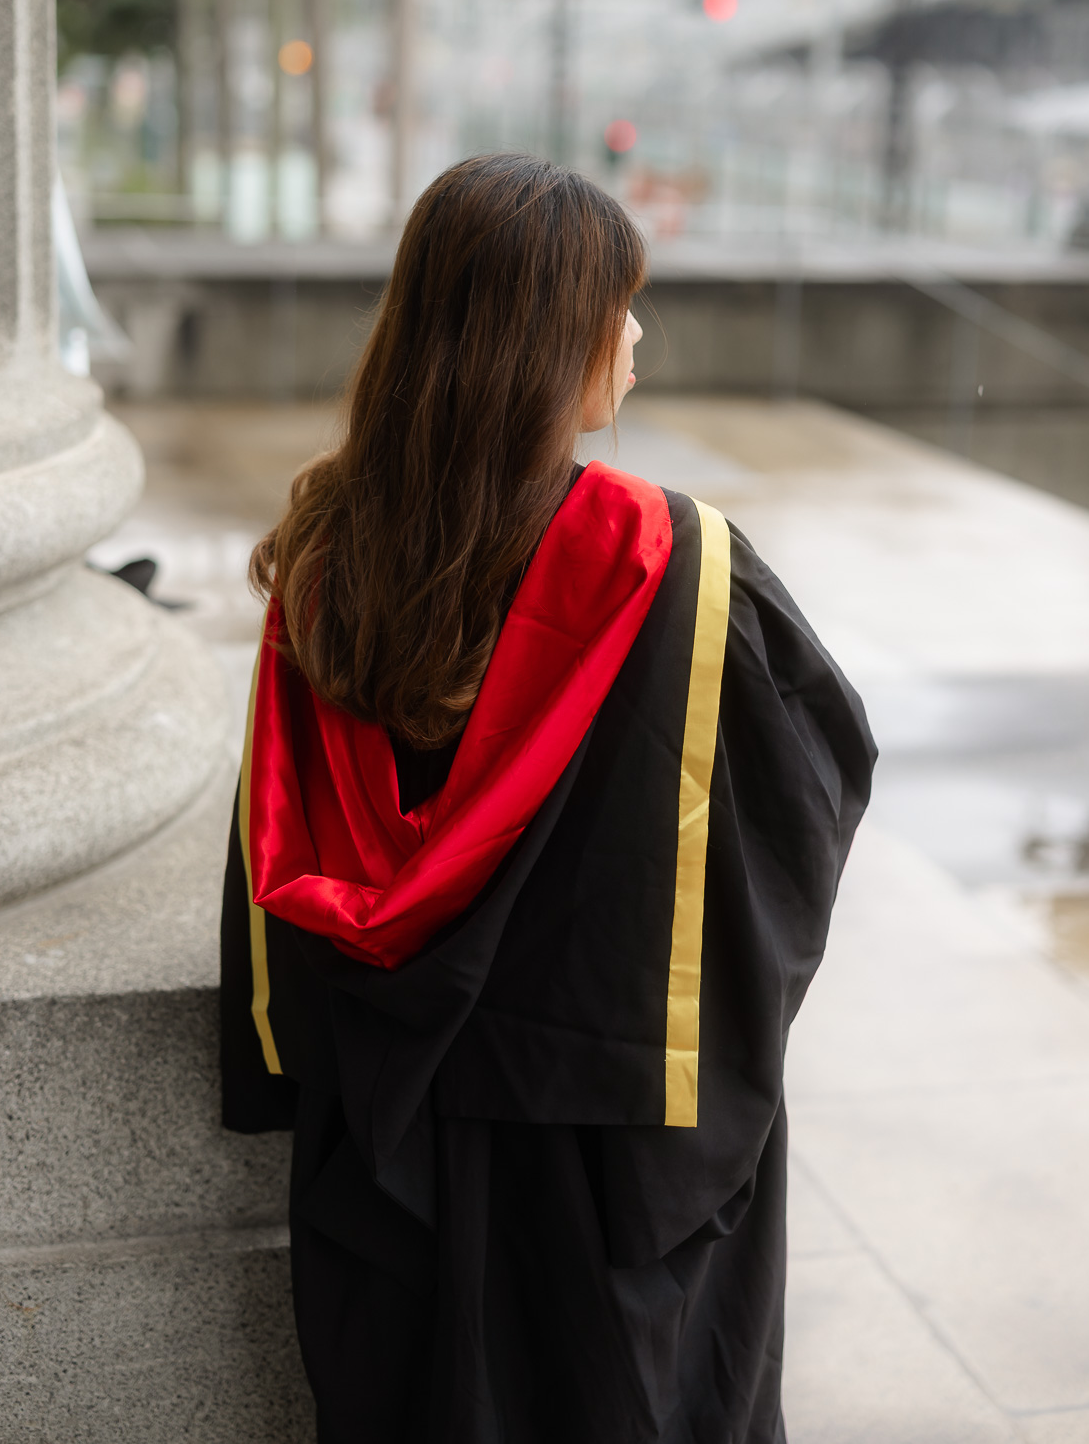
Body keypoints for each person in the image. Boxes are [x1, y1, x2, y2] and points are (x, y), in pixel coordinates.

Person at [221, 152, 875, 1444]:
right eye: (616, 309)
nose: (635, 338)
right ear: (546, 345)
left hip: (390, 1145)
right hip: (606, 1157)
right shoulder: (676, 566)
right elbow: (798, 806)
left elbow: (274, 841)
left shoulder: (325, 559)